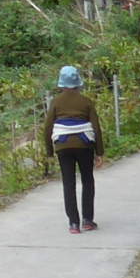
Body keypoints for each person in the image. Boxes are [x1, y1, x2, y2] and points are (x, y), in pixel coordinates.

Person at [42, 64, 104, 233]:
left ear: (61, 84)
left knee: (68, 183)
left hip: (63, 147)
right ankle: (88, 220)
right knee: (87, 181)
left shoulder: (55, 102)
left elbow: (48, 128)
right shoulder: (86, 102)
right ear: (78, 83)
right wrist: (99, 152)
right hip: (85, 145)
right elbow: (96, 127)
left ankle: (74, 224)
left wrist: (49, 151)